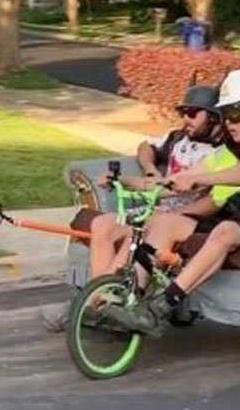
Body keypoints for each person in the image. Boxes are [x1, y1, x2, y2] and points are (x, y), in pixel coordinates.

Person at [101, 68, 240, 336]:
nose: (229, 122)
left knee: (225, 231)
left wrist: (202, 179)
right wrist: (122, 180)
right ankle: (130, 300)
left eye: (237, 113)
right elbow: (174, 182)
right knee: (164, 222)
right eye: (225, 114)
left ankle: (161, 306)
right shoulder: (231, 151)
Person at [39, 84, 226, 332]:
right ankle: (97, 301)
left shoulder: (221, 153)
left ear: (213, 117)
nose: (185, 118)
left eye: (192, 113)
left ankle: (94, 304)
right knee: (103, 224)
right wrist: (149, 168)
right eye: (183, 112)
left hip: (183, 218)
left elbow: (177, 188)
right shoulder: (177, 138)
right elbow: (145, 147)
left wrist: (132, 182)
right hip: (155, 208)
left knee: (137, 234)